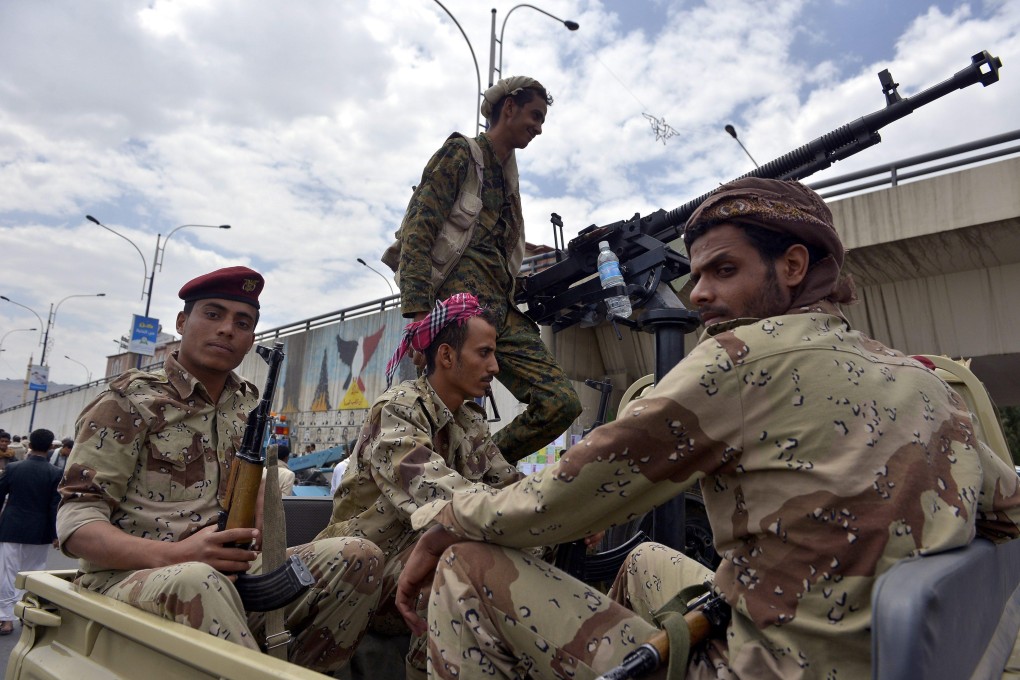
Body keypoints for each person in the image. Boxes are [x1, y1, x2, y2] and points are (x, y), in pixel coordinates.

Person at [394, 178, 1020, 680]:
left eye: (723, 270)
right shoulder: (925, 380)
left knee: (466, 565)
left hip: (754, 666)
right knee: (643, 560)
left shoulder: (738, 360)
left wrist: (446, 520)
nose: (697, 293)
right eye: (695, 275)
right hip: (875, 656)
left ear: (793, 265)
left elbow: (556, 499)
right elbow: (1006, 514)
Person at [57, 266, 382, 673]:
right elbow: (77, 525)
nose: (227, 329)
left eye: (242, 323)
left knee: (359, 556)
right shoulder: (128, 402)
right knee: (198, 578)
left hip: (228, 573)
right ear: (182, 322)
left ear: (251, 340)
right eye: (213, 314)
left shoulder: (246, 406)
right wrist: (177, 554)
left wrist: (261, 506)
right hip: (132, 576)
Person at [316, 293, 529, 677]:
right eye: (484, 353)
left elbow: (508, 482)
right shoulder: (399, 409)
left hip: (414, 556)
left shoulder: (470, 420)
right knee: (458, 573)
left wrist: (559, 507)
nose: (494, 366)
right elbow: (436, 494)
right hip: (365, 571)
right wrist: (531, 508)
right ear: (446, 356)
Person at [394, 75, 581, 463]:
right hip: (456, 312)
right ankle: (438, 478)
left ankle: (476, 465)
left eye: (542, 120)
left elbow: (494, 250)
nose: (538, 128)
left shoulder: (508, 180)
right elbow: (418, 231)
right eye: (535, 115)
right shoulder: (462, 154)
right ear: (509, 108)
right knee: (441, 415)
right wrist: (420, 318)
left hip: (500, 311)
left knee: (560, 402)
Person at [0, 428, 63, 635]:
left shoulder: (13, 468)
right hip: (40, 531)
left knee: (7, 573)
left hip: (11, 527)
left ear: (30, 445)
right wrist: (55, 534)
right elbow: (54, 507)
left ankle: (5, 619)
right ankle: (26, 614)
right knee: (33, 574)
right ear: (50, 447)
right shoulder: (55, 473)